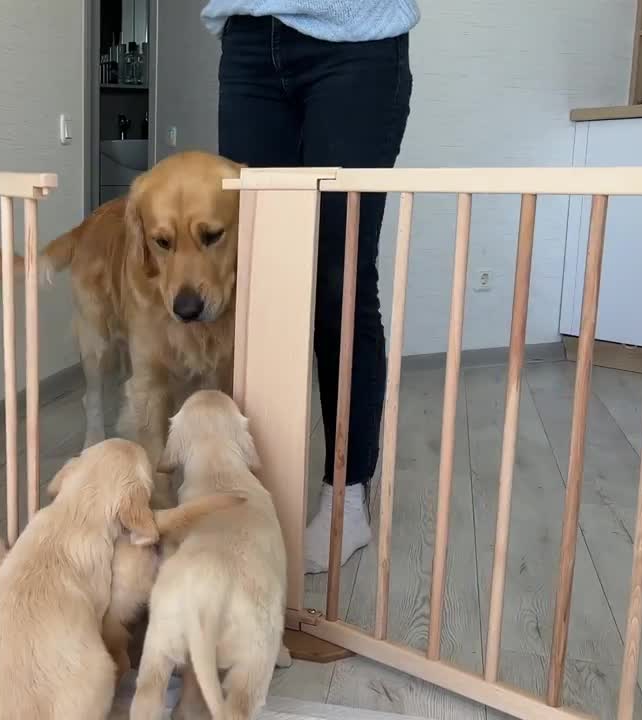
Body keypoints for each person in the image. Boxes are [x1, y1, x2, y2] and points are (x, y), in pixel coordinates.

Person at [203, 1, 418, 574]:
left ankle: (347, 499)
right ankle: (255, 492)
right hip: (247, 37)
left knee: (338, 278)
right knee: (260, 280)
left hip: (355, 40)